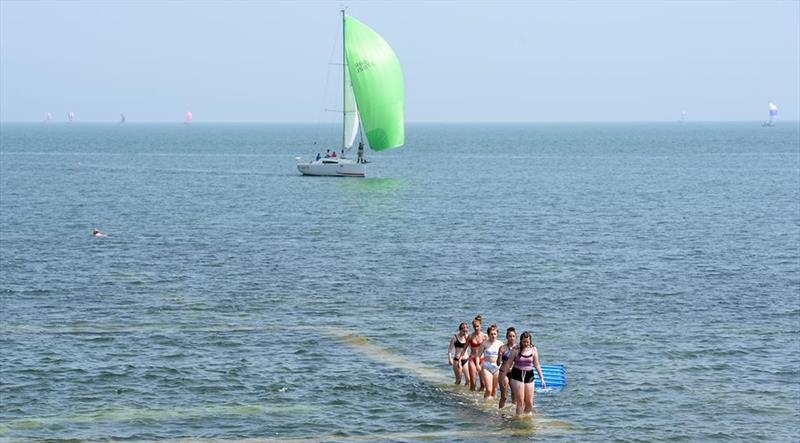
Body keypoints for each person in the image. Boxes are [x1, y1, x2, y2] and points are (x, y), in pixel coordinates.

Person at [500, 331, 546, 416]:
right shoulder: (516, 350)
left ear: (530, 341)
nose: (526, 343)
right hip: (517, 375)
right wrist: (503, 377)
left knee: (529, 403)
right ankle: (518, 420)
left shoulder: (533, 350)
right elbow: (508, 364)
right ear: (521, 341)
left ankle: (527, 419)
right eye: (524, 342)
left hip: (529, 375)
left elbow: (537, 364)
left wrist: (542, 378)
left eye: (527, 342)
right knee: (520, 402)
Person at [478, 324, 503, 399]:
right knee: (489, 390)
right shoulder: (484, 343)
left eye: (495, 334)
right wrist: (477, 365)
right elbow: (478, 356)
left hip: (497, 367)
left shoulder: (500, 344)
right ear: (488, 334)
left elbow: (504, 357)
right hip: (487, 367)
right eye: (491, 334)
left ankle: (492, 406)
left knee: (494, 390)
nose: (493, 336)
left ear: (497, 334)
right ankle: (485, 403)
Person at [467, 315, 488, 392]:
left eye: (477, 326)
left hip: (482, 359)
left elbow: (491, 348)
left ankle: (479, 399)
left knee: (483, 384)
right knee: (473, 383)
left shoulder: (485, 337)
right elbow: (464, 349)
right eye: (474, 327)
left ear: (480, 325)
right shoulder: (470, 336)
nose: (476, 328)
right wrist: (459, 361)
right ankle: (470, 399)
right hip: (472, 359)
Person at [497, 327, 517, 408]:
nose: (511, 338)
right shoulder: (502, 348)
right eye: (510, 336)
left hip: (514, 372)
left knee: (514, 395)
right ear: (507, 337)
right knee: (504, 396)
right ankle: (500, 412)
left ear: (515, 337)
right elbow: (498, 363)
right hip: (503, 372)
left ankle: (513, 411)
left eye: (513, 336)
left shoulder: (518, 348)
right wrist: (500, 356)